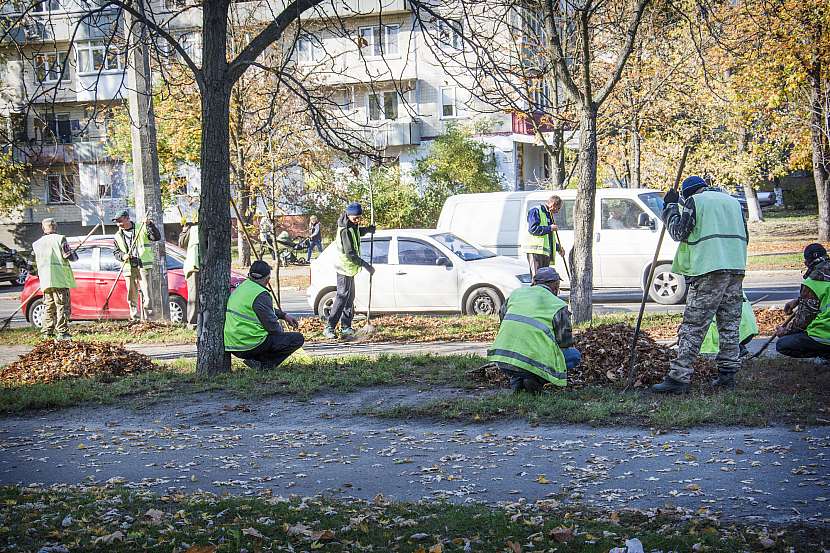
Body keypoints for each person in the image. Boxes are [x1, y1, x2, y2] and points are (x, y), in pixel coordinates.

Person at [652, 176, 748, 393]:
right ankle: (727, 375)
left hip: (708, 268)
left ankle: (678, 378)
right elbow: (745, 236)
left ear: (688, 194)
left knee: (694, 326)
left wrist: (669, 207)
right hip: (735, 266)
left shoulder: (697, 201)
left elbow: (678, 232)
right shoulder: (733, 202)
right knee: (729, 324)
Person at [488, 267, 581, 393]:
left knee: (519, 356)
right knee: (573, 355)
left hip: (502, 357)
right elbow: (564, 342)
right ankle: (536, 380)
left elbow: (504, 318)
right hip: (533, 361)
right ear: (555, 286)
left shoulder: (516, 294)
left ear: (534, 283)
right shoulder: (557, 305)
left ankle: (517, 382)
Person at [224, 260, 304, 369]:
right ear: (267, 279)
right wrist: (282, 336)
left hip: (233, 344)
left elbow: (263, 309)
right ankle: (265, 365)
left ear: (249, 275)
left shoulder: (243, 287)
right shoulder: (261, 294)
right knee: (297, 339)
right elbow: (272, 327)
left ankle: (257, 361)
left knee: (271, 338)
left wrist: (284, 315)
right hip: (249, 345)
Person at [323, 202, 375, 339]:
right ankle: (329, 327)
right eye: (355, 218)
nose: (357, 220)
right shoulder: (344, 230)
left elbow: (356, 233)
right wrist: (366, 265)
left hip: (350, 268)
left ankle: (346, 327)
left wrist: (368, 230)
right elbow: (350, 253)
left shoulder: (352, 225)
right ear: (348, 215)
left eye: (359, 217)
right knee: (342, 297)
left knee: (349, 298)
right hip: (344, 267)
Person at [775, 243, 830, 361]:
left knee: (782, 344)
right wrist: (799, 300)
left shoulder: (813, 282)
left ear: (806, 263)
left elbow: (801, 323)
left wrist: (784, 332)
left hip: (825, 336)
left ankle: (825, 355)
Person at [32, 218, 78, 340]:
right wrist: (74, 253)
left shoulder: (36, 244)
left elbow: (31, 265)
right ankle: (62, 332)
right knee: (62, 305)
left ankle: (47, 332)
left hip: (46, 280)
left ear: (43, 228)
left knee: (49, 305)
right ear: (55, 226)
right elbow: (70, 256)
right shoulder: (60, 239)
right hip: (60, 279)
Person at [112, 209, 160, 321]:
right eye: (117, 222)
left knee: (147, 293)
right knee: (131, 294)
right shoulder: (117, 235)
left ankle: (150, 318)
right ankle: (135, 318)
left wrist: (149, 224)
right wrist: (123, 256)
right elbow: (116, 252)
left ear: (127, 218)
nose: (119, 224)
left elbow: (156, 237)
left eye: (120, 221)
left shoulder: (141, 227)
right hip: (129, 267)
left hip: (143, 265)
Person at [700, 292, 758, 358]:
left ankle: (736, 351)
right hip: (747, 330)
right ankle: (738, 349)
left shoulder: (710, 292)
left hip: (738, 333)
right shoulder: (733, 285)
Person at [520, 195, 566, 278]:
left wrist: (559, 248)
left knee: (544, 278)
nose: (558, 211)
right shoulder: (536, 211)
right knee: (537, 278)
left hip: (544, 252)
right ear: (552, 204)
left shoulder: (549, 215)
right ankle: (535, 291)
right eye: (558, 208)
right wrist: (550, 228)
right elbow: (533, 229)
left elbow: (549, 238)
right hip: (534, 251)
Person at [177, 219, 199, 329]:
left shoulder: (213, 229)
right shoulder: (193, 230)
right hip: (194, 267)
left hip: (206, 268)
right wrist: (185, 231)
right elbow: (181, 243)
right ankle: (193, 323)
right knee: (194, 297)